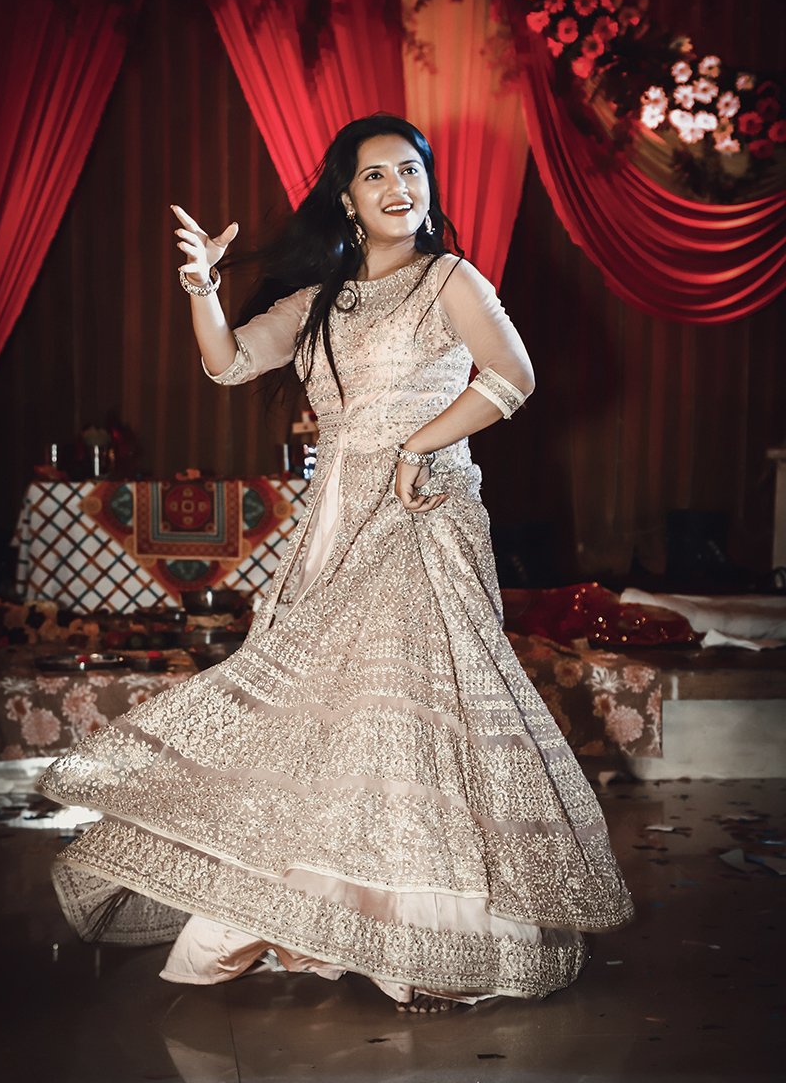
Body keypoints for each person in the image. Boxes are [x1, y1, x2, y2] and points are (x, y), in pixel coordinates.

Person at [38, 114, 634, 1015]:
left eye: (411, 170)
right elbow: (230, 364)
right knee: (333, 713)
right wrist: (201, 287)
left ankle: (434, 941)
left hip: (424, 512)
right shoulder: (322, 300)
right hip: (335, 520)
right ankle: (324, 914)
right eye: (376, 175)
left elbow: (511, 378)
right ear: (347, 200)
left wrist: (416, 447)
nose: (400, 187)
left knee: (414, 714)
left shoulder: (450, 278)